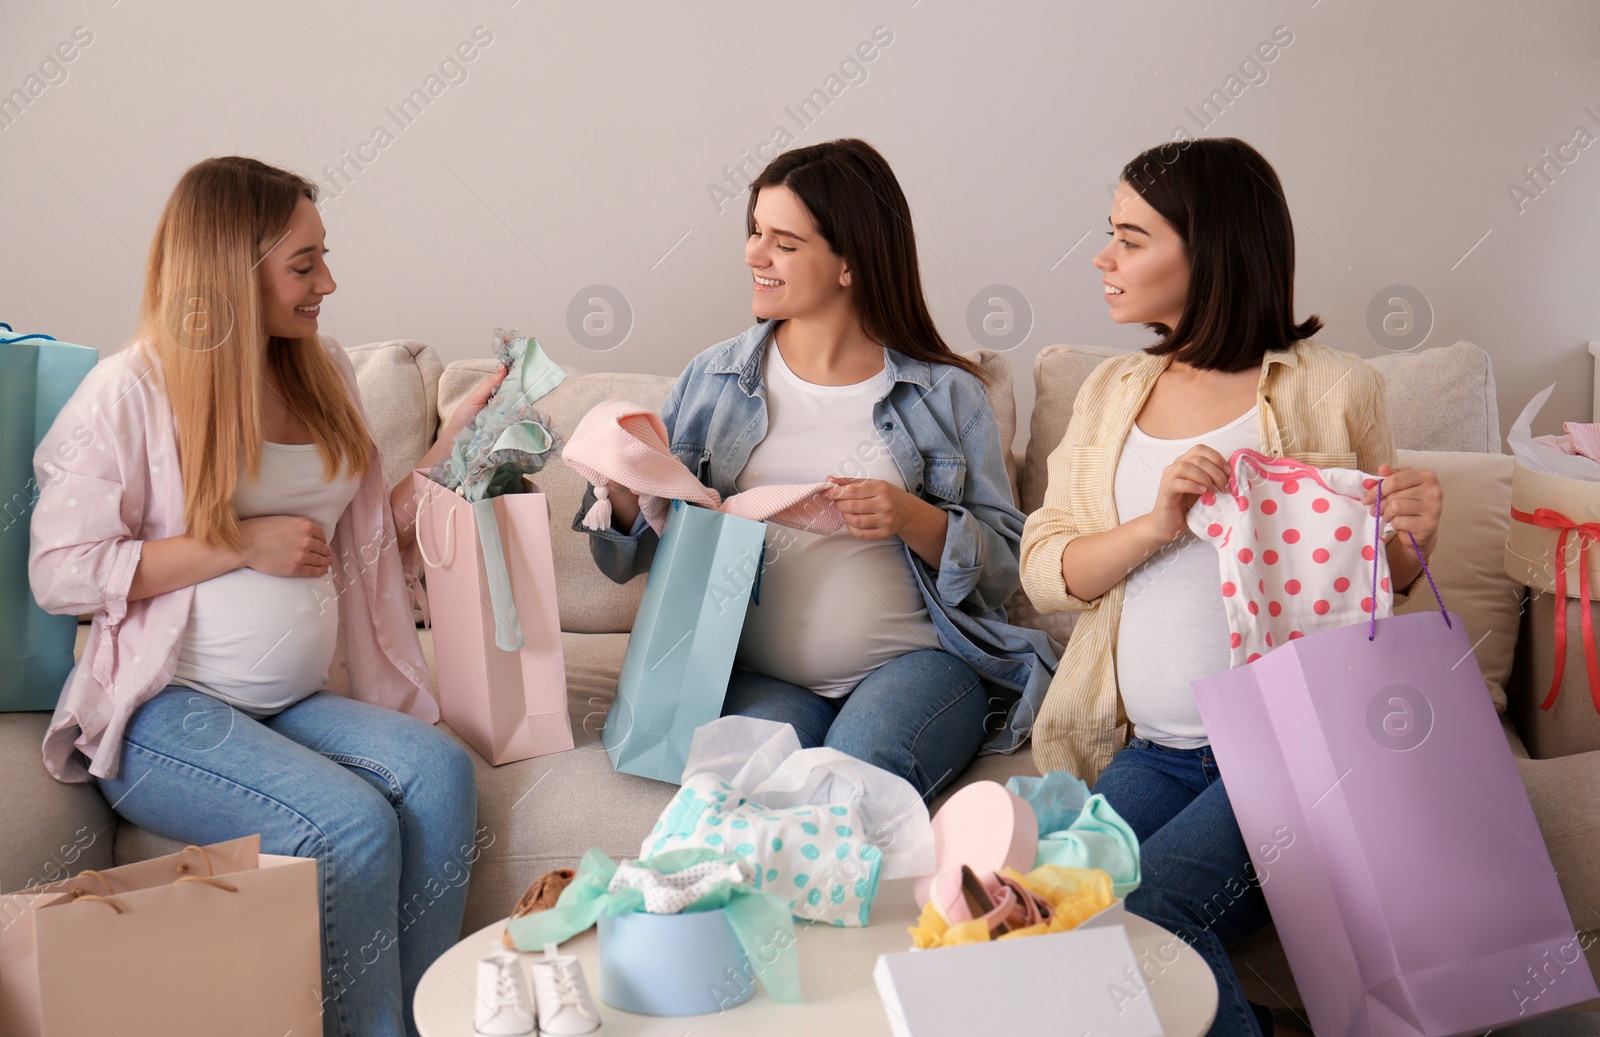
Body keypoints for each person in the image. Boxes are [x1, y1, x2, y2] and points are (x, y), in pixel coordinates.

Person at [29, 156, 505, 1037]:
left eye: (324, 257)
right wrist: (234, 542)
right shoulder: (128, 394)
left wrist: (451, 454)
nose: (330, 282)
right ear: (231, 271)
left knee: (437, 773)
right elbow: (60, 570)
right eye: (304, 264)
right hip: (166, 712)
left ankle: (416, 1022)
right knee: (349, 826)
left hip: (292, 701)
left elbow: (362, 536)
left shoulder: (316, 364)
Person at [1018, 138, 1443, 1037]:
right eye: (1110, 235)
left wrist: (1414, 539)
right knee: (1054, 911)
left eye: (1131, 238)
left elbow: (1378, 589)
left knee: (1152, 914)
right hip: (1155, 751)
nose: (1103, 258)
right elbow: (1046, 570)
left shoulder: (1335, 387)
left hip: (1296, 752)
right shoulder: (1109, 391)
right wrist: (1152, 525)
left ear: (1207, 250)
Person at [579, 138, 1056, 800]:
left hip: (916, 663)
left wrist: (912, 516)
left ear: (849, 263)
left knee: (854, 783)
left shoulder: (946, 394)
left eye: (784, 241)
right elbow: (630, 559)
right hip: (757, 674)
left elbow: (1010, 561)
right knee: (750, 794)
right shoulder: (713, 379)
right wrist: (631, 492)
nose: (753, 254)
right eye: (754, 232)